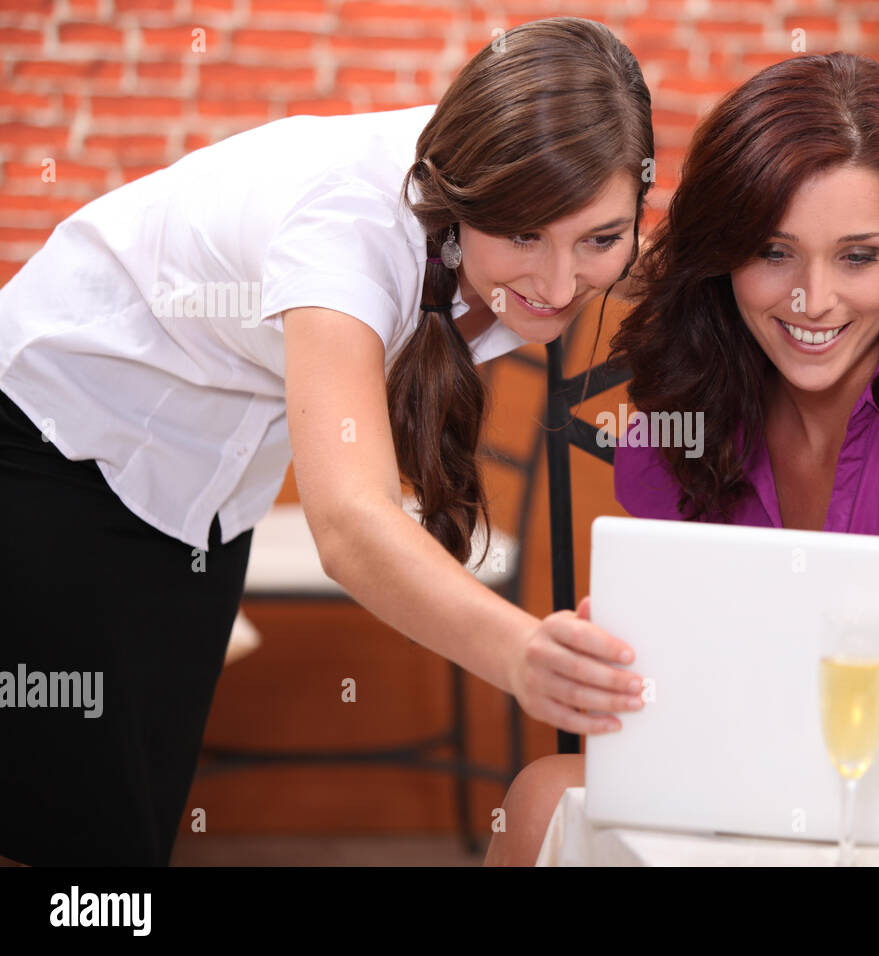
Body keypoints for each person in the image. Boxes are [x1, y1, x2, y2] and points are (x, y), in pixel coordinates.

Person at [0, 16, 652, 867]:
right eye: (524, 236)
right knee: (83, 846)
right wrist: (524, 653)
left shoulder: (512, 208)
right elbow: (349, 520)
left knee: (135, 827)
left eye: (600, 239)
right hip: (56, 439)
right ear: (462, 202)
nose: (561, 284)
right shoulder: (347, 229)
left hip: (203, 493)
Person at [484, 52, 879, 866]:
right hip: (753, 793)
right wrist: (625, 670)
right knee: (539, 795)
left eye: (858, 256)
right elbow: (705, 700)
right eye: (773, 252)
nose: (813, 299)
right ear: (723, 254)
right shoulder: (690, 417)